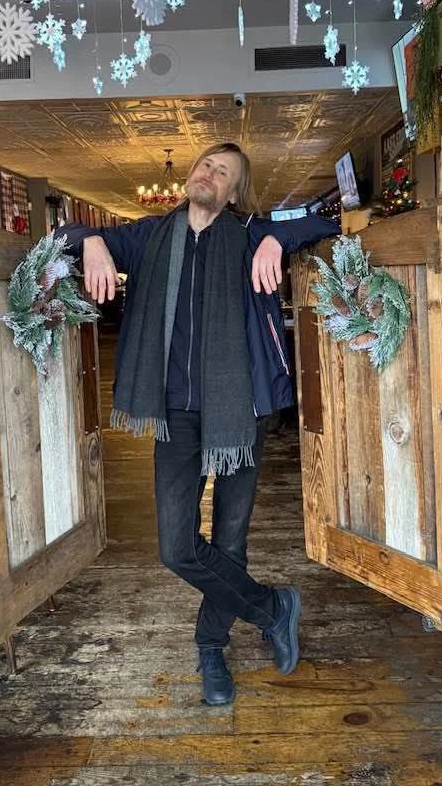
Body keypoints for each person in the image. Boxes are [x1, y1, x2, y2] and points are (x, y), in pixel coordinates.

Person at [56, 143, 340, 706]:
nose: (209, 173)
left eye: (223, 171)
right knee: (176, 547)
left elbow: (322, 222)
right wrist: (90, 240)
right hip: (176, 415)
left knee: (230, 542)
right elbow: (60, 236)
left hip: (240, 413)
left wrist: (276, 239)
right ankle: (272, 608)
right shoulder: (149, 236)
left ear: (233, 194)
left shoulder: (249, 234)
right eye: (206, 164)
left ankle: (211, 646)